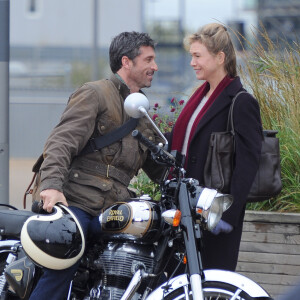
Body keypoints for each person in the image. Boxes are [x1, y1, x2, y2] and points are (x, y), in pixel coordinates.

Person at [29, 31, 161, 300]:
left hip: (110, 207)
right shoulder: (96, 93)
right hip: (76, 200)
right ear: (127, 62)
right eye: (148, 60)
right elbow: (60, 142)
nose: (155, 67)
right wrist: (52, 187)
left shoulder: (142, 115)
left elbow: (160, 168)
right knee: (68, 249)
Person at [168, 23, 262, 271]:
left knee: (211, 285)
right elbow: (186, 142)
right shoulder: (199, 97)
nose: (192, 62)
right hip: (185, 208)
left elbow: (247, 165)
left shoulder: (241, 102)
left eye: (197, 56)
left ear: (220, 58)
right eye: (192, 56)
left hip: (214, 215)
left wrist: (227, 215)